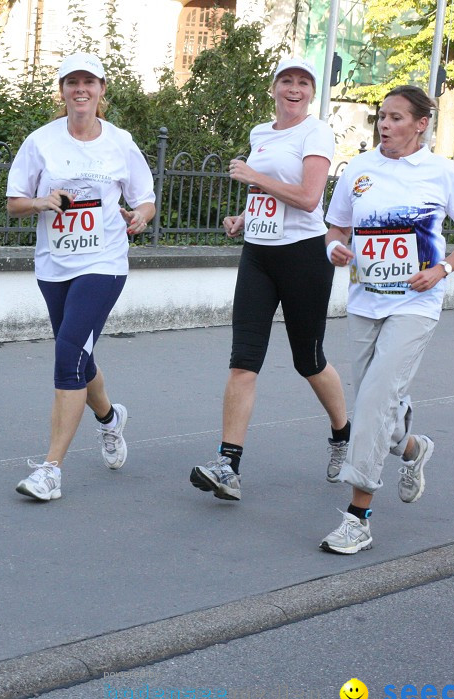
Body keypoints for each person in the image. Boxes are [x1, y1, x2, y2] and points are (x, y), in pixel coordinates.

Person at [319, 85, 454, 554]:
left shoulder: (441, 172)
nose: (385, 126)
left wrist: (442, 269)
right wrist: (334, 248)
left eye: (395, 118)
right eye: (382, 117)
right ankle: (413, 448)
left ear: (421, 125)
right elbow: (337, 227)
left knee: (373, 402)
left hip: (414, 303)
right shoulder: (359, 169)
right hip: (364, 300)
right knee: (380, 403)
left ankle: (358, 518)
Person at [188, 57, 349, 502]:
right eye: (287, 80)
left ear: (312, 93)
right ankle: (228, 466)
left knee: (309, 360)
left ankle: (342, 432)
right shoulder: (261, 133)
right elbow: (268, 194)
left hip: (303, 257)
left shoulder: (316, 132)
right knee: (243, 361)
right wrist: (244, 215)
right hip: (258, 255)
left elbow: (309, 197)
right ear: (274, 87)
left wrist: (254, 177)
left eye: (303, 83)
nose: (294, 89)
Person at [5, 52, 155, 501]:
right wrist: (41, 202)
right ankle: (110, 419)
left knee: (68, 352)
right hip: (55, 266)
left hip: (104, 264)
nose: (81, 90)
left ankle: (50, 469)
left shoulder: (120, 142)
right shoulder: (41, 141)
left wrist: (140, 217)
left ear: (102, 90)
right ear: (63, 90)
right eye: (72, 82)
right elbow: (15, 200)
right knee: (78, 355)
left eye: (89, 82)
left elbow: (145, 198)